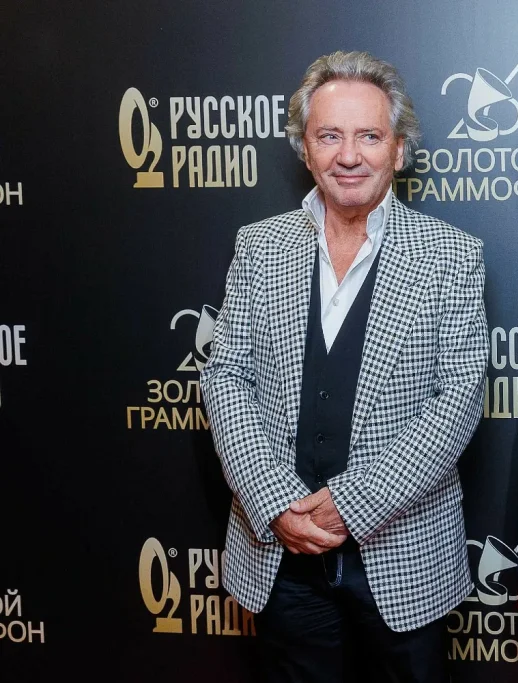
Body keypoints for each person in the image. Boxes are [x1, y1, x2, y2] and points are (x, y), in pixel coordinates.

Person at [201, 50, 488, 683]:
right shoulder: (259, 245)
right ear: (305, 150)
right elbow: (226, 377)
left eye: (369, 137)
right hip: (280, 554)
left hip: (405, 557)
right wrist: (274, 502)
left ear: (399, 150)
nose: (349, 155)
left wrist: (349, 505)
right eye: (329, 136)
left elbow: (460, 397)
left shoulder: (451, 255)